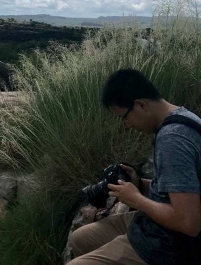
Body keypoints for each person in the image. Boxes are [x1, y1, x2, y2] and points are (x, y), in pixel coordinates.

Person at [68, 68, 201, 264]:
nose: (126, 125)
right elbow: (179, 191)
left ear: (140, 105)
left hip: (166, 247)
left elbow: (189, 223)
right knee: (79, 238)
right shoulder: (183, 118)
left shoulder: (172, 140)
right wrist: (140, 184)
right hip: (151, 227)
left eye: (124, 117)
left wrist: (136, 199)